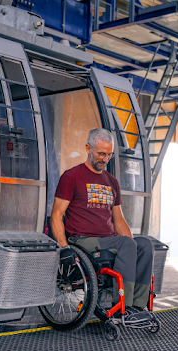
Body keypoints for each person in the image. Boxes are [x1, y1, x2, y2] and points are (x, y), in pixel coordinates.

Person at [51, 128, 154, 324]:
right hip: (82, 240)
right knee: (127, 245)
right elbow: (56, 215)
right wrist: (64, 248)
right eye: (101, 153)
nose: (105, 159)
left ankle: (137, 305)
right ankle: (121, 308)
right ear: (88, 148)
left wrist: (133, 247)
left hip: (108, 240)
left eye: (109, 154)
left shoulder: (112, 182)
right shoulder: (72, 176)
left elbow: (118, 220)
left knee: (144, 244)